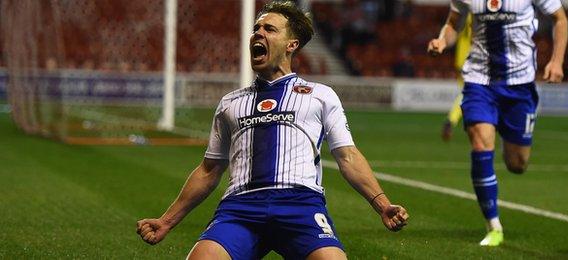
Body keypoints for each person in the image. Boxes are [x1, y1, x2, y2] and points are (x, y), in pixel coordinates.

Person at [136, 1, 409, 259]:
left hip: (301, 205)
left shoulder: (321, 95)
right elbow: (209, 170)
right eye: (256, 28)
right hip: (240, 208)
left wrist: (382, 204)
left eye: (269, 29)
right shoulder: (230, 103)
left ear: (291, 44)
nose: (258, 33)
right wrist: (167, 221)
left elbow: (347, 157)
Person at [427, 0, 568, 246]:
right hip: (479, 81)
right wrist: (442, 41)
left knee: (517, 163)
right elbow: (452, 23)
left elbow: (561, 19)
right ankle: (493, 226)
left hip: (520, 85)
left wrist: (557, 60)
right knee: (480, 144)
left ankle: (504, 132)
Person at [441, 14, 472, 142]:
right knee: (469, 92)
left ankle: (458, 120)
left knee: (468, 93)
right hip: (471, 60)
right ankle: (452, 120)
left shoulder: (466, 12)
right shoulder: (477, 13)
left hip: (461, 58)